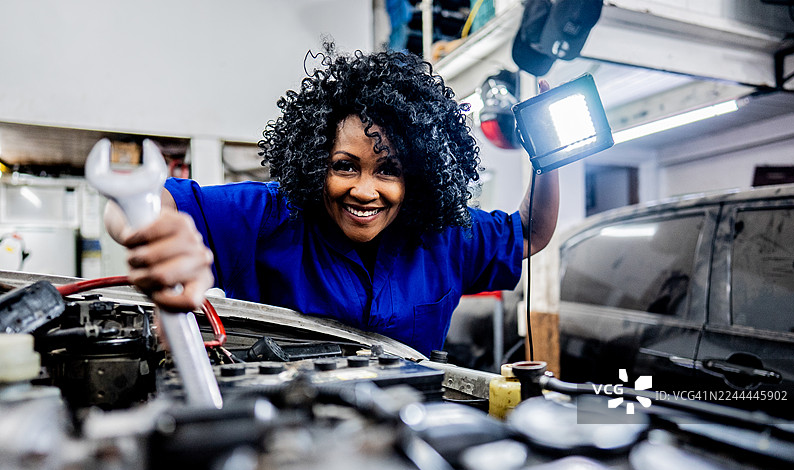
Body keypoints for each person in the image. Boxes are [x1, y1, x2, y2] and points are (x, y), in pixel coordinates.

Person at [105, 45, 559, 358]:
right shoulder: (267, 218)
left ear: (417, 176)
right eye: (345, 166)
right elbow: (137, 203)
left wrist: (550, 156)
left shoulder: (445, 237)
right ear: (317, 161)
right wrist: (154, 230)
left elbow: (531, 232)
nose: (364, 190)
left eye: (388, 170)